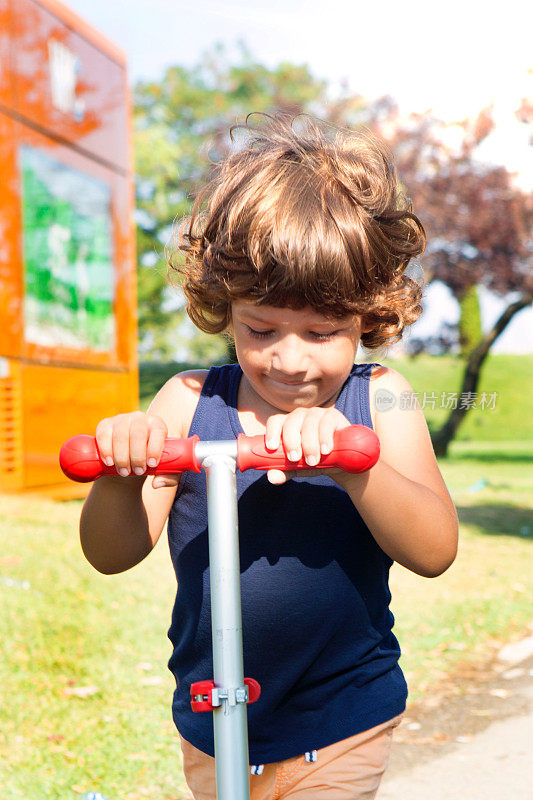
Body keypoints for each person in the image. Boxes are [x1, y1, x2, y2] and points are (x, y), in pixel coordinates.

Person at [79, 114, 459, 799]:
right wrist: (118, 474)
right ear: (225, 307)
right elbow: (112, 553)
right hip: (213, 713)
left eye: (321, 332)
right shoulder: (186, 400)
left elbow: (433, 550)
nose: (289, 360)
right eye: (261, 329)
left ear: (367, 315)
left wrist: (354, 465)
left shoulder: (379, 400)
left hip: (342, 717)